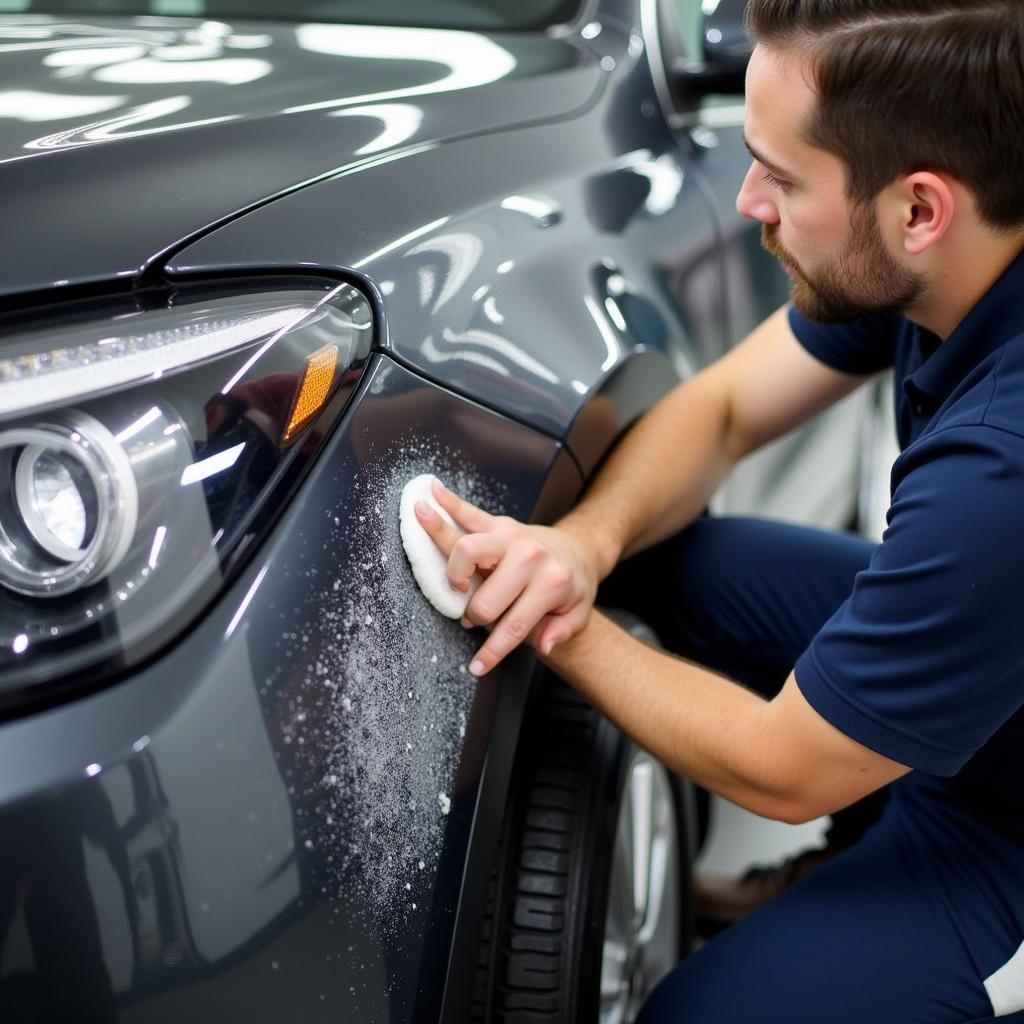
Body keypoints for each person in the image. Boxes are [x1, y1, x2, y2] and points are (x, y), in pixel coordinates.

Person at [416, 1, 1024, 1019]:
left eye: (781, 177)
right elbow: (724, 408)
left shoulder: (1003, 466)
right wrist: (577, 545)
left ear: (920, 210)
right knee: (656, 563)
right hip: (988, 699)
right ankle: (864, 861)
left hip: (1005, 823)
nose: (747, 201)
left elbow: (784, 768)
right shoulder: (953, 258)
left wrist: (552, 621)